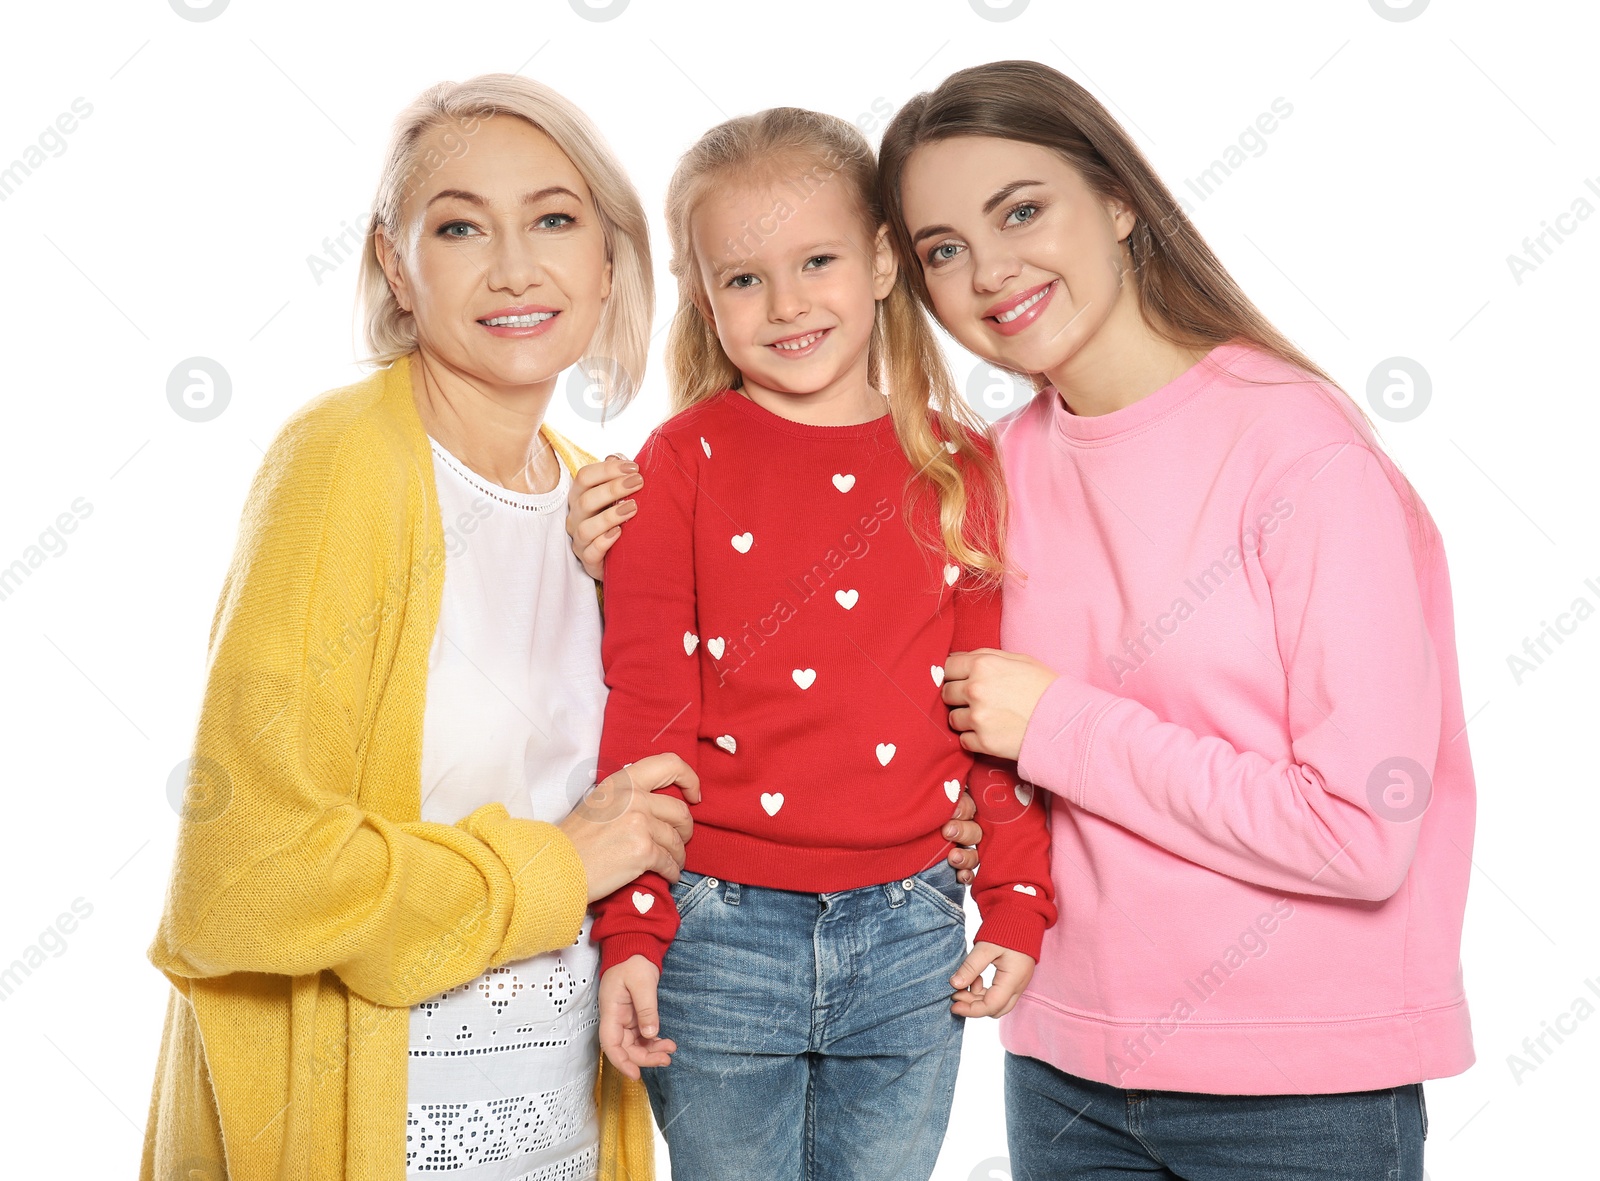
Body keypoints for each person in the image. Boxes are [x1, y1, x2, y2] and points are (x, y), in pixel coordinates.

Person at [877, 59, 1475, 1180]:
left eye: (1021, 210)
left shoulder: (1298, 453)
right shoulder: (998, 469)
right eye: (941, 249)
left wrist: (1057, 728)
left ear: (1117, 200)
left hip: (1300, 1084)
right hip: (1062, 1067)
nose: (988, 269)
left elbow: (1362, 829)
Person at [140, 73, 694, 1181]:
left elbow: (666, 801)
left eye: (553, 218)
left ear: (606, 262)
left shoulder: (604, 504)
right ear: (399, 267)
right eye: (458, 227)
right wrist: (551, 865)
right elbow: (243, 875)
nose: (514, 267)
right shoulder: (342, 463)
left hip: (568, 1128)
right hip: (380, 1127)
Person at [583, 107, 1058, 1181]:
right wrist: (632, 927)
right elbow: (648, 708)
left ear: (883, 260)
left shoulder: (956, 463)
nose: (787, 302)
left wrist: (1017, 900)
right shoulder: (682, 460)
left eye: (817, 261)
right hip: (718, 928)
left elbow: (986, 709)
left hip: (910, 931)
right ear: (705, 296)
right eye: (743, 278)